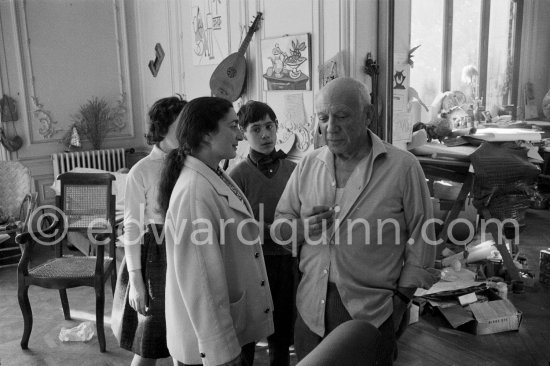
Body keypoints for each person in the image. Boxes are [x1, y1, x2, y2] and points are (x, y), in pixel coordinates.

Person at [273, 77, 438, 365]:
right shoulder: (309, 165)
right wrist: (300, 229)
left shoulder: (402, 167)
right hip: (310, 307)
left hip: (372, 310)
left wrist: (401, 301)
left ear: (368, 115)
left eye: (342, 116)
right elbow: (280, 224)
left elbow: (422, 237)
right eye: (323, 118)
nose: (331, 127)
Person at [158, 97, 274, 366]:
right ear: (207, 134)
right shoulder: (195, 192)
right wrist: (220, 351)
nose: (241, 134)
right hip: (209, 348)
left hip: (230, 330)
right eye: (233, 126)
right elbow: (200, 282)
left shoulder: (213, 174)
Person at [111, 95, 187, 366]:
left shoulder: (193, 164)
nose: (188, 129)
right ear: (163, 127)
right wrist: (137, 282)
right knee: (149, 341)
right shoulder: (141, 171)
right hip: (155, 258)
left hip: (188, 250)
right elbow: (131, 229)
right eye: (182, 123)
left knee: (186, 340)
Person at [229, 101, 296, 366]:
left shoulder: (293, 170)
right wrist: (276, 231)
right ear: (244, 134)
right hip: (254, 264)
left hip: (286, 262)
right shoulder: (238, 175)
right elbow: (238, 227)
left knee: (281, 330)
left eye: (269, 126)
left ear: (277, 127)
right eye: (256, 129)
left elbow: (299, 214)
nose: (265, 134)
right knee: (249, 330)